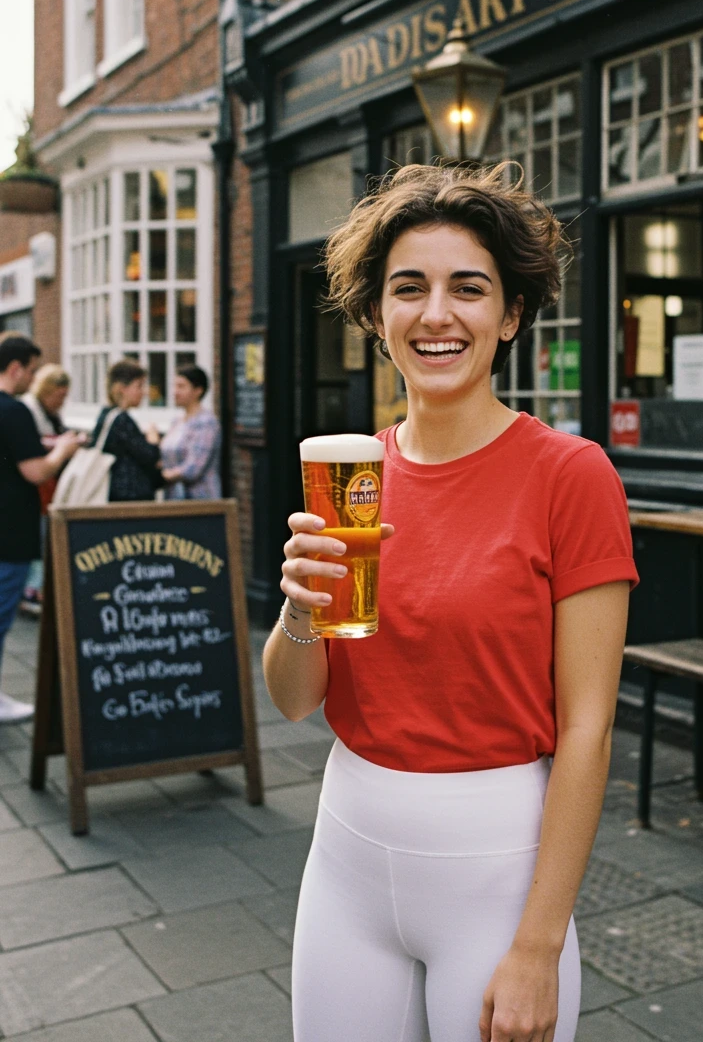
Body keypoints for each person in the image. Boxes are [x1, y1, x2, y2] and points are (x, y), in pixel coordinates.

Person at [265, 163, 638, 1042]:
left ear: (509, 315)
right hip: (347, 848)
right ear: (375, 316)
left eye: (468, 289)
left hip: (496, 865)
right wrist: (296, 609)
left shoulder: (570, 475)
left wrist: (539, 947)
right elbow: (292, 699)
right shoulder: (350, 474)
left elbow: (588, 728)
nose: (437, 314)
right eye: (408, 289)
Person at [0, 338, 81, 721]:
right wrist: (62, 451)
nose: (32, 379)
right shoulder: (13, 411)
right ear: (15, 368)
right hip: (9, 534)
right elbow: (35, 471)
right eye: (31, 370)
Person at [20, 364, 71, 614]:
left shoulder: (50, 413)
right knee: (39, 536)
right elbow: (33, 447)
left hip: (48, 486)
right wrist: (61, 446)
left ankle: (34, 589)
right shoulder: (29, 409)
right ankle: (31, 591)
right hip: (39, 484)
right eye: (60, 395)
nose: (62, 401)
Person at [92, 361, 161, 502]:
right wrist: (153, 439)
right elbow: (149, 457)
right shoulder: (121, 420)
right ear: (122, 388)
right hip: (128, 500)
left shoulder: (107, 414)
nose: (144, 392)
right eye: (139, 386)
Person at [160, 365, 222, 499]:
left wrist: (162, 476)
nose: (175, 392)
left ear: (198, 390)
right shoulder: (176, 421)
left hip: (200, 498)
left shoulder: (206, 422)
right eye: (175, 386)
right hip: (174, 498)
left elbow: (194, 467)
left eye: (181, 386)